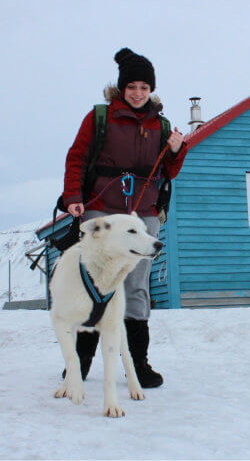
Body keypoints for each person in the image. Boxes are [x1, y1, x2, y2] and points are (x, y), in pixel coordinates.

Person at [60, 48, 188, 388]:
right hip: (102, 209)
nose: (138, 93)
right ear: (121, 88)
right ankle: (81, 362)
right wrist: (73, 197)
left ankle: (138, 364)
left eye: (144, 87)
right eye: (132, 86)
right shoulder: (100, 117)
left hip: (143, 213)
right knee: (94, 284)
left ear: (151, 90)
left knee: (136, 287)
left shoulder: (160, 124)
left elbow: (169, 171)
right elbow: (77, 157)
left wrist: (177, 149)